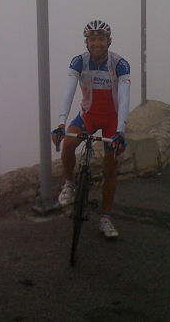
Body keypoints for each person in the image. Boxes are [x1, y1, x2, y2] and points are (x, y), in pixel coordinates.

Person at [52, 20, 131, 238]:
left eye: (101, 39)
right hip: (89, 116)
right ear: (87, 43)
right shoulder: (79, 62)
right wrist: (61, 123)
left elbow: (124, 100)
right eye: (92, 39)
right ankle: (69, 184)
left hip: (112, 120)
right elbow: (68, 93)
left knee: (110, 167)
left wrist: (121, 131)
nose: (97, 43)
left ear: (109, 41)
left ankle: (105, 218)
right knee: (68, 144)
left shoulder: (120, 65)